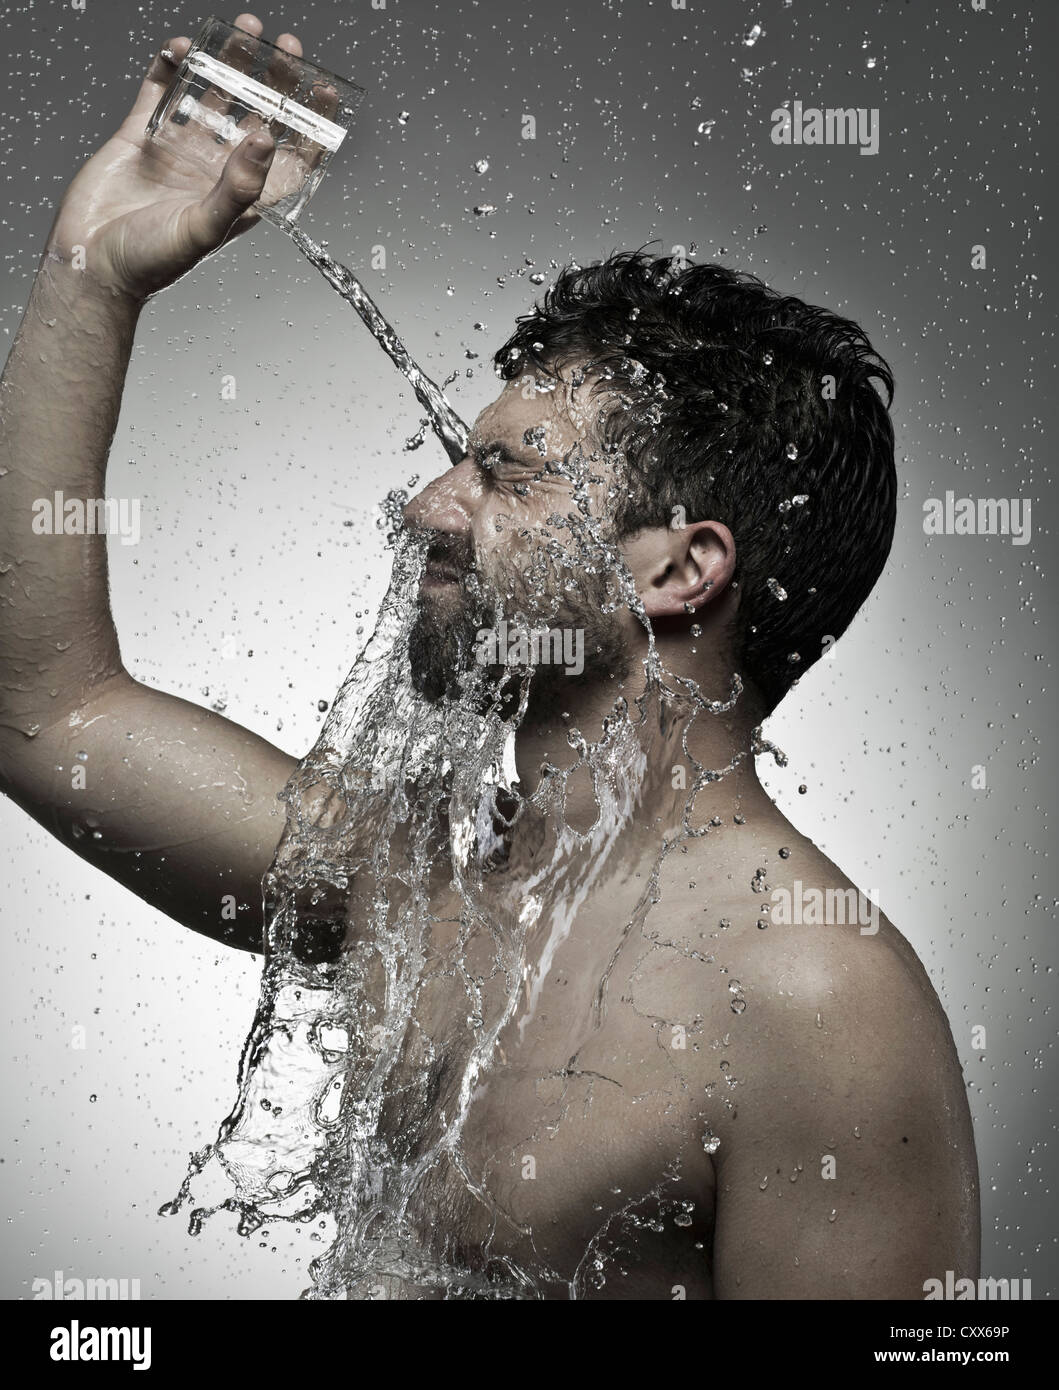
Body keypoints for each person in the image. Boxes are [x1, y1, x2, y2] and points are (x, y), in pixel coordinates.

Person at [0, 14, 979, 1299]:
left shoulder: (818, 1003)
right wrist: (91, 275)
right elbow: (43, 704)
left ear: (680, 569)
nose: (424, 508)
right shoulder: (415, 884)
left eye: (507, 474)